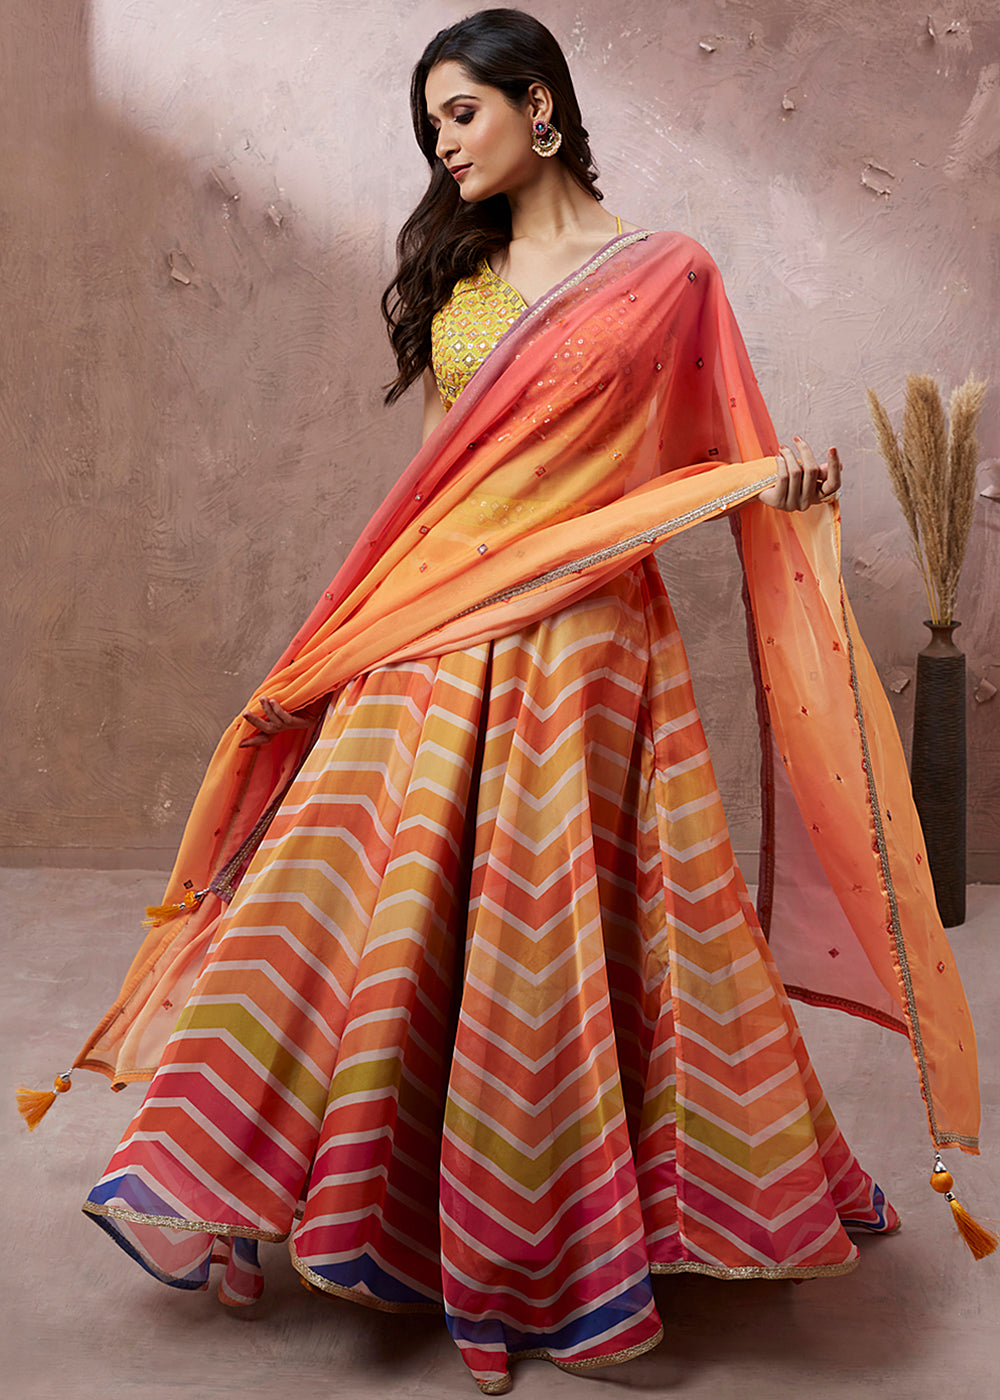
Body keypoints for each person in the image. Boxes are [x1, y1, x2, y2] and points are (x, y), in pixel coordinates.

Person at [19, 9, 982, 1397]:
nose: (442, 148)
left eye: (459, 115)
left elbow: (710, 452)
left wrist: (777, 482)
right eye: (430, 128)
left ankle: (545, 1246)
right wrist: (363, 630)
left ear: (539, 106)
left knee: (552, 947)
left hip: (587, 647)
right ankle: (246, 1177)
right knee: (331, 900)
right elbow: (434, 486)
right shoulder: (459, 281)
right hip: (443, 620)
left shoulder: (669, 276)